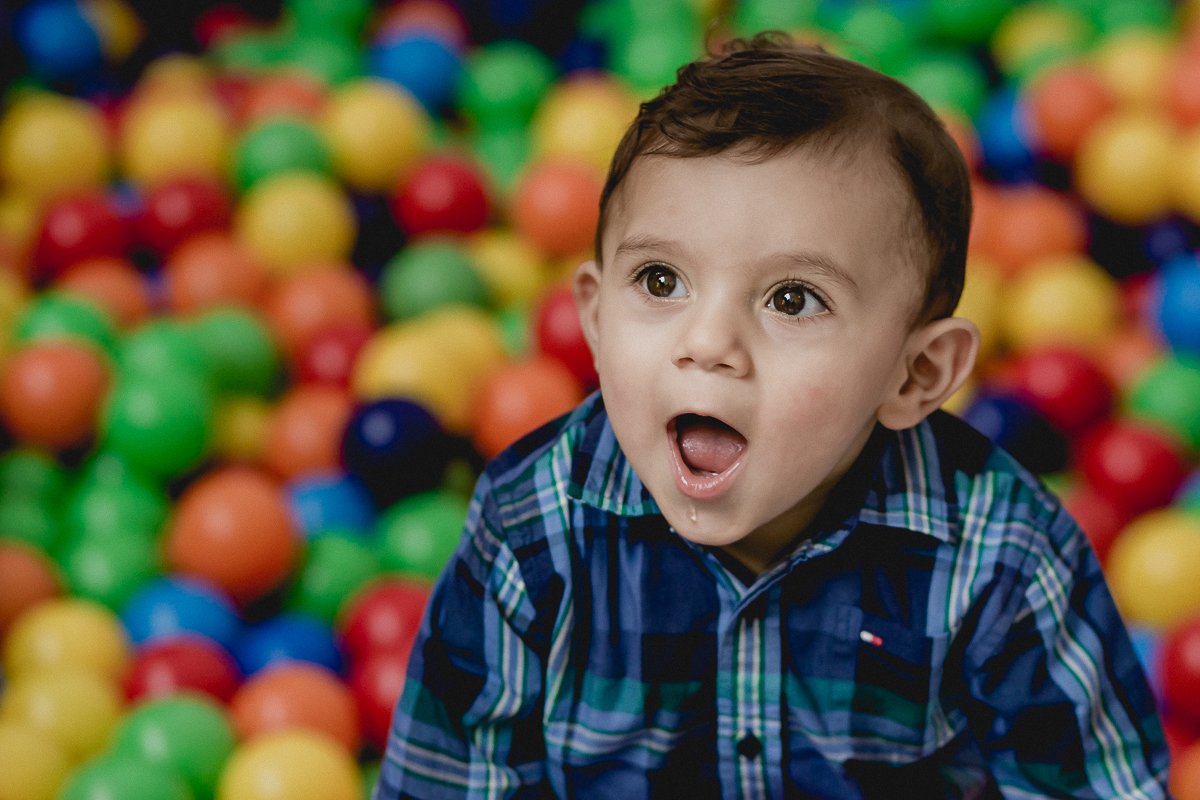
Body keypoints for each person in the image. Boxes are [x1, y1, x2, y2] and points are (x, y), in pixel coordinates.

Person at [374, 33, 1169, 799]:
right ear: (595, 317)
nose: (708, 343)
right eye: (660, 281)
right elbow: (448, 780)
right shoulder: (532, 525)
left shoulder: (1003, 552)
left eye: (793, 299)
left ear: (917, 374)